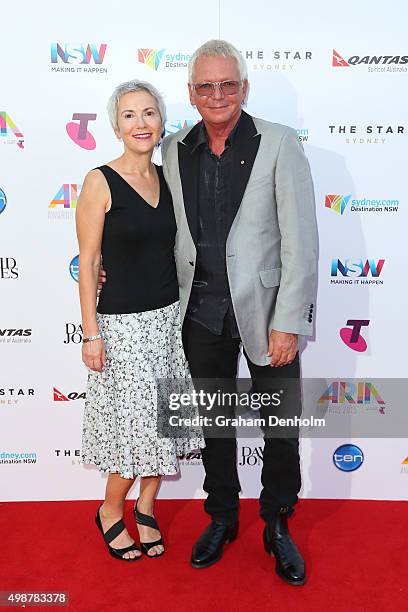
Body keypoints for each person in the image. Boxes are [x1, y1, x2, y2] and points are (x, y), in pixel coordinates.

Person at [160, 40, 318, 585]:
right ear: (192, 93)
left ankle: (277, 524)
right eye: (207, 86)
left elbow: (301, 240)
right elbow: (164, 228)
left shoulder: (279, 142)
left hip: (267, 314)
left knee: (279, 428)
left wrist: (289, 321)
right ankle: (222, 516)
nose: (218, 94)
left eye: (228, 84)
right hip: (200, 312)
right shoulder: (174, 148)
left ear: (243, 88)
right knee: (215, 426)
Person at [76, 80, 204, 562]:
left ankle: (146, 506)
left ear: (161, 121)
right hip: (122, 325)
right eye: (129, 115)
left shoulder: (168, 179)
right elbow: (88, 264)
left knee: (165, 423)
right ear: (115, 126)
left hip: (169, 320)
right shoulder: (98, 181)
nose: (141, 123)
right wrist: (91, 333)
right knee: (136, 427)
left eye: (149, 113)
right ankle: (111, 510)